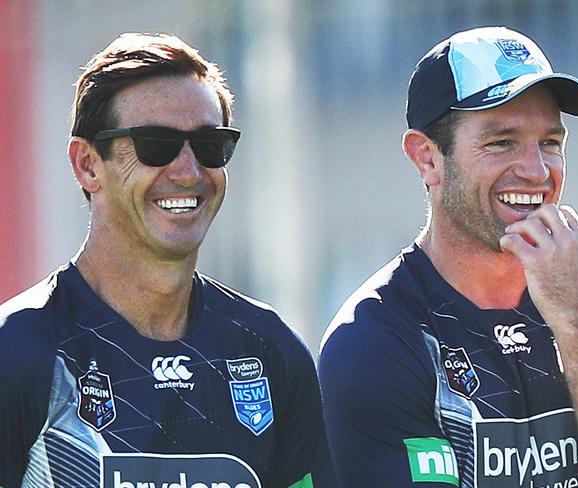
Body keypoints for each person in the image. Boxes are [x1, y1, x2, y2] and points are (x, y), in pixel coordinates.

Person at [319, 26, 578, 487]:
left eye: (550, 142)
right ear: (427, 158)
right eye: (501, 142)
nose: (537, 171)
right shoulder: (375, 339)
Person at [0, 33, 332, 488]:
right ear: (87, 165)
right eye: (156, 144)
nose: (188, 171)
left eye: (211, 145)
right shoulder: (17, 351)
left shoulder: (271, 353)